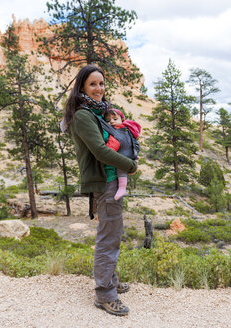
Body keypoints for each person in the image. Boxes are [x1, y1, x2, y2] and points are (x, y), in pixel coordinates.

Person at [61, 64, 137, 316]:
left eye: (102, 84)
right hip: (104, 182)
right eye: (93, 84)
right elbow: (100, 151)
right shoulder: (83, 116)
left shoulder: (98, 113)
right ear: (82, 86)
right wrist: (131, 166)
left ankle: (110, 280)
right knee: (108, 236)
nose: (99, 88)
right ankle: (104, 293)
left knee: (112, 231)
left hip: (110, 180)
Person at [104, 108, 141, 201]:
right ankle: (122, 188)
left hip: (124, 156)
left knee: (120, 169)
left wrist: (104, 150)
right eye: (108, 121)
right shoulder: (128, 130)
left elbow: (111, 148)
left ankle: (122, 188)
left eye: (115, 119)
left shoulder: (116, 133)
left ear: (122, 119)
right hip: (132, 154)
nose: (112, 122)